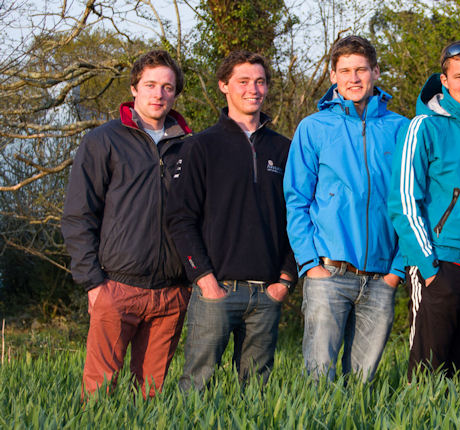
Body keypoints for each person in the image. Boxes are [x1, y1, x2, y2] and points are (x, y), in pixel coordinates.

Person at [62, 50, 192, 397]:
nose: (158, 94)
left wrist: (193, 278)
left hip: (171, 293)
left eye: (167, 87)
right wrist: (93, 283)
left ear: (175, 93)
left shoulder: (190, 146)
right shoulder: (103, 140)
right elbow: (78, 215)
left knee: (150, 397)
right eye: (150, 85)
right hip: (116, 287)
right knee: (99, 396)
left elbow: (201, 217)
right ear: (134, 88)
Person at [166, 51, 296, 390]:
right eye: (243, 81)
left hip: (267, 292)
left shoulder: (284, 149)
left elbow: (298, 216)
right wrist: (205, 280)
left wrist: (285, 279)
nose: (252, 89)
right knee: (196, 385)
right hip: (217, 290)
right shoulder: (200, 146)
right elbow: (180, 219)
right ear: (224, 85)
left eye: (260, 81)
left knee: (257, 391)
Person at [284, 36, 408, 382]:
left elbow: (411, 204)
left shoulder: (400, 128)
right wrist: (310, 265)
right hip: (329, 272)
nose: (354, 78)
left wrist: (395, 271)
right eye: (345, 71)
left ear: (376, 72)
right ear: (332, 75)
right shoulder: (313, 128)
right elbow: (296, 201)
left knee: (363, 381)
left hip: (382, 278)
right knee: (318, 377)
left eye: (361, 70)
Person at [389, 39, 460, 380]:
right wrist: (429, 267)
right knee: (426, 377)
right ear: (444, 80)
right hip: (438, 264)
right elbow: (404, 202)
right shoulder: (423, 127)